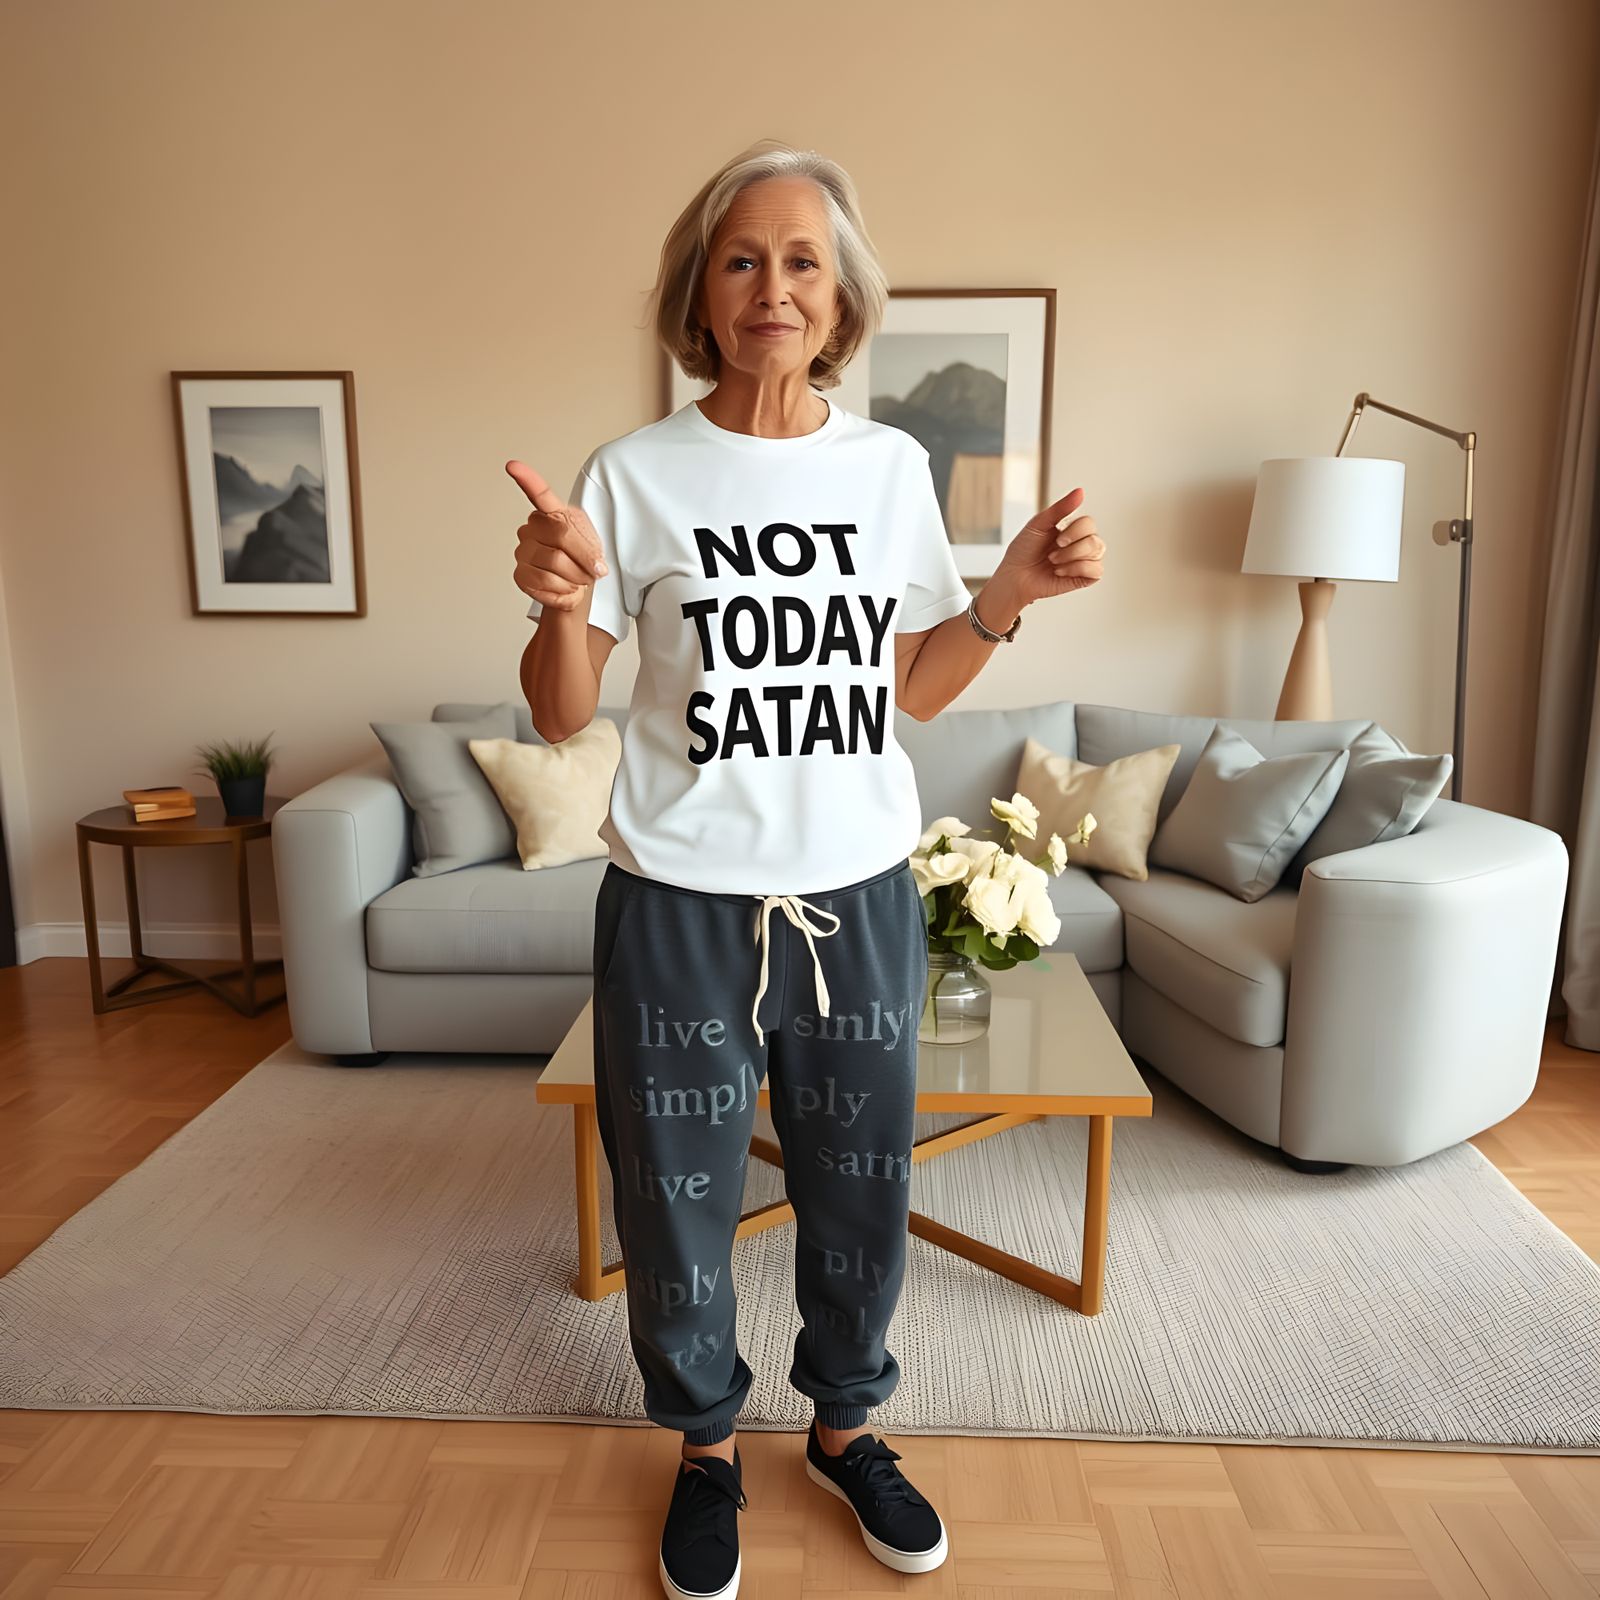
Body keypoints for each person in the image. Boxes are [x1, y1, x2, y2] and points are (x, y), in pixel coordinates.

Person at [508, 139, 1105, 1600]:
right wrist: (561, 604)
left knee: (859, 1188)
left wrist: (1008, 595)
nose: (770, 286)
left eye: (801, 262)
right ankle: (707, 1450)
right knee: (676, 1200)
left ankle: (846, 1431)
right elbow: (564, 714)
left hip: (855, 899)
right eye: (741, 258)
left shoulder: (888, 467)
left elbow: (909, 687)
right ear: (699, 292)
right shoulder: (632, 473)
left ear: (840, 302)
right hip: (677, 906)